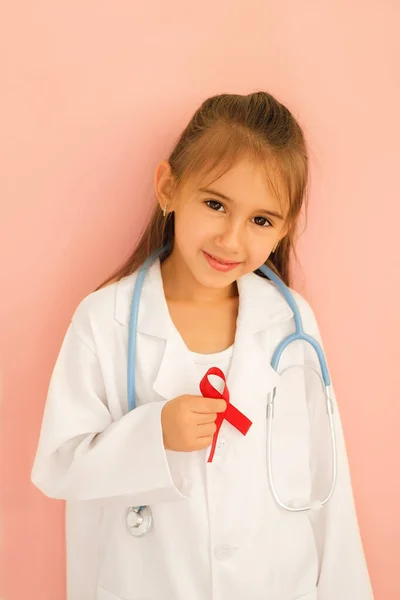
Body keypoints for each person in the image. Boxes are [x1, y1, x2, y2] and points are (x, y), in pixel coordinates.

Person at [31, 91, 374, 600]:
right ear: (169, 188)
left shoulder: (290, 320)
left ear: (283, 229)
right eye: (215, 204)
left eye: (261, 220)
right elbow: (58, 466)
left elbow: (328, 483)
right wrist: (153, 434)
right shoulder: (106, 320)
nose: (232, 240)